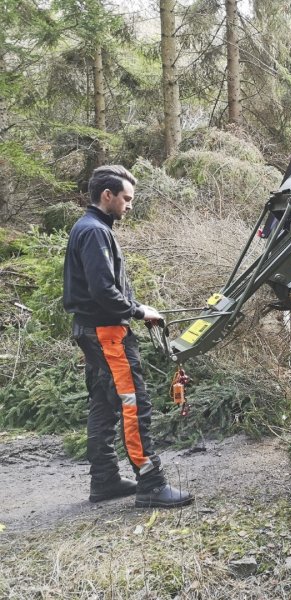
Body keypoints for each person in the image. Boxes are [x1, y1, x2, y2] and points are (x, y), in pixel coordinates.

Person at [63, 165, 193, 508]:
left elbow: (106, 289)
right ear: (108, 196)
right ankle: (151, 483)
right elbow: (103, 290)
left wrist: (137, 307)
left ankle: (104, 480)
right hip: (107, 334)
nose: (130, 205)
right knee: (134, 404)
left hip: (94, 330)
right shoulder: (93, 232)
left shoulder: (91, 228)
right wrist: (138, 312)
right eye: (126, 198)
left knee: (104, 405)